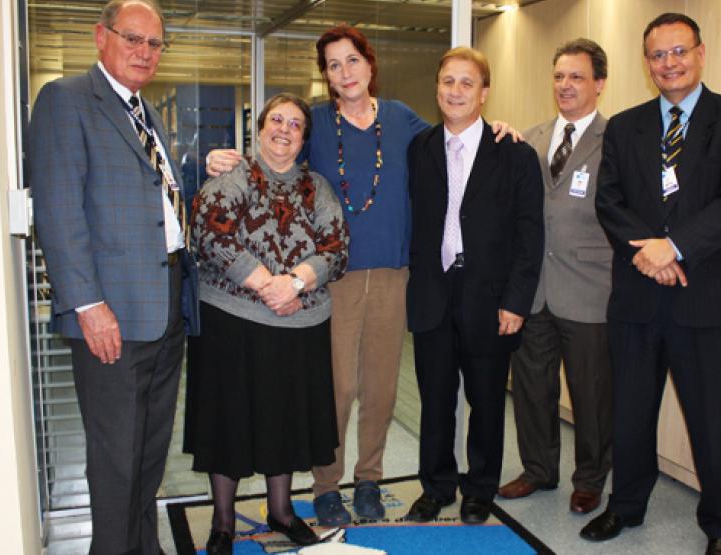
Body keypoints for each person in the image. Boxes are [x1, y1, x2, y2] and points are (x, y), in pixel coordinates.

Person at [205, 25, 520, 527]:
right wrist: (228, 159)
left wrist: (498, 127)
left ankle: (369, 477)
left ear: (370, 66)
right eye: (333, 65)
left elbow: (456, 135)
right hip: (335, 278)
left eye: (352, 61)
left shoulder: (400, 119)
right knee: (336, 387)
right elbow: (276, 163)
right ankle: (327, 485)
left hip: (397, 276)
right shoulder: (316, 126)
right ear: (326, 76)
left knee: (380, 389)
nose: (344, 72)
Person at [581, 13, 721, 555]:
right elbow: (608, 201)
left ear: (701, 53)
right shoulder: (626, 125)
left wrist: (675, 246)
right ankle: (626, 506)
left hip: (705, 297)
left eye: (679, 51)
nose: (670, 63)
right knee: (631, 412)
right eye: (658, 56)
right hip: (638, 294)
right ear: (647, 64)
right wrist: (652, 253)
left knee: (713, 419)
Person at [28, 1, 199, 552]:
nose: (144, 52)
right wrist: (86, 304)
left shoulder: (143, 112)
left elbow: (154, 205)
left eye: (154, 44)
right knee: (115, 458)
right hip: (112, 315)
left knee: (149, 452)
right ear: (101, 37)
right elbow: (58, 210)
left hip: (165, 306)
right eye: (133, 38)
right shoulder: (67, 100)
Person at [186, 92, 349, 555]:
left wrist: (294, 285)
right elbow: (210, 235)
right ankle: (222, 523)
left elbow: (336, 248)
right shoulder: (229, 181)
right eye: (275, 120)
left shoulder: (318, 188)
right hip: (232, 325)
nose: (284, 129)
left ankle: (282, 510)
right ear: (258, 129)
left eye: (295, 124)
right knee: (228, 424)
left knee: (287, 421)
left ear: (303, 138)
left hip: (299, 325)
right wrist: (268, 286)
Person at [405, 46, 544, 526]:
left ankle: (480, 488)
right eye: (448, 82)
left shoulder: (516, 154)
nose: (456, 91)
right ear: (437, 88)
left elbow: (531, 235)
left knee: (486, 400)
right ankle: (437, 485)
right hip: (433, 295)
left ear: (484, 93)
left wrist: (517, 302)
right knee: (435, 400)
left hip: (490, 299)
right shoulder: (419, 149)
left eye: (467, 83)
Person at [498, 38, 613, 516]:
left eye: (577, 77)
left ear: (599, 85)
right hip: (535, 288)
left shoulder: (618, 140)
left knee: (591, 395)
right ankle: (539, 470)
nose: (565, 85)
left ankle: (589, 480)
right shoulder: (531, 137)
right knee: (530, 388)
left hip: (590, 290)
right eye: (559, 76)